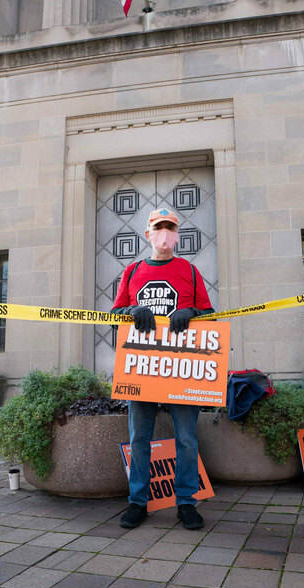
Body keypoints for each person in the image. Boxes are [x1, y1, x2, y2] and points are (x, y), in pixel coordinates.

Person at [111, 208, 214, 530]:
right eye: (159, 227)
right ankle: (137, 502)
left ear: (177, 234)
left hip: (182, 367)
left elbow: (210, 316)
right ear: (148, 233)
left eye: (170, 228)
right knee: (139, 437)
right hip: (142, 367)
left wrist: (192, 313)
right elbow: (114, 314)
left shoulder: (191, 272)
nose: (165, 233)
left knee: (186, 439)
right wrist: (131, 309)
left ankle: (186, 503)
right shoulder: (131, 272)